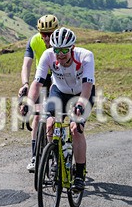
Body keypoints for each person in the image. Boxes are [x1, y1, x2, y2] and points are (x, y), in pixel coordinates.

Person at [26, 27, 95, 192]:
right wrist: (28, 102)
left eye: (64, 50)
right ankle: (57, 161)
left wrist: (80, 105)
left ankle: (79, 174)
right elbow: (37, 83)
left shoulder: (86, 56)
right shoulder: (48, 55)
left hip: (81, 93)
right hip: (59, 92)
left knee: (75, 129)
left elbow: (87, 86)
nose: (60, 54)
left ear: (72, 48)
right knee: (49, 123)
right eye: (57, 49)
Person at [18, 14, 57, 172]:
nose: (47, 38)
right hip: (41, 78)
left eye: (50, 34)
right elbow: (26, 64)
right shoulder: (34, 41)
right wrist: (25, 84)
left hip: (58, 78)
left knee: (53, 114)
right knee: (36, 115)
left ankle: (54, 153)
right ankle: (34, 156)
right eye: (44, 34)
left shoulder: (61, 41)